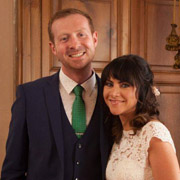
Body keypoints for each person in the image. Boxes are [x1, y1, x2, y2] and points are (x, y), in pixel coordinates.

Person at [1, 8, 112, 180]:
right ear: (53, 48)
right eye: (64, 38)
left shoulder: (115, 97)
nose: (75, 44)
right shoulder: (29, 97)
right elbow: (12, 172)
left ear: (94, 38)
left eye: (81, 34)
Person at [101, 54, 180, 180]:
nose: (114, 93)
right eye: (109, 84)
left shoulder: (154, 134)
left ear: (142, 90)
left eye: (125, 85)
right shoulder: (119, 133)